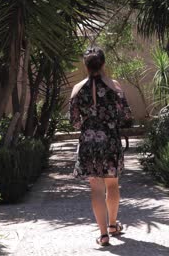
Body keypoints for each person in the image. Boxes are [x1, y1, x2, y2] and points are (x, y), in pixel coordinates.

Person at [69, 47, 132, 246]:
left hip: (88, 142)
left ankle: (104, 234)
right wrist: (110, 122)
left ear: (85, 66)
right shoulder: (115, 87)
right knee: (112, 184)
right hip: (110, 141)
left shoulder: (78, 89)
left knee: (95, 187)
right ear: (103, 64)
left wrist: (89, 124)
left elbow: (74, 121)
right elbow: (126, 116)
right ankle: (113, 225)